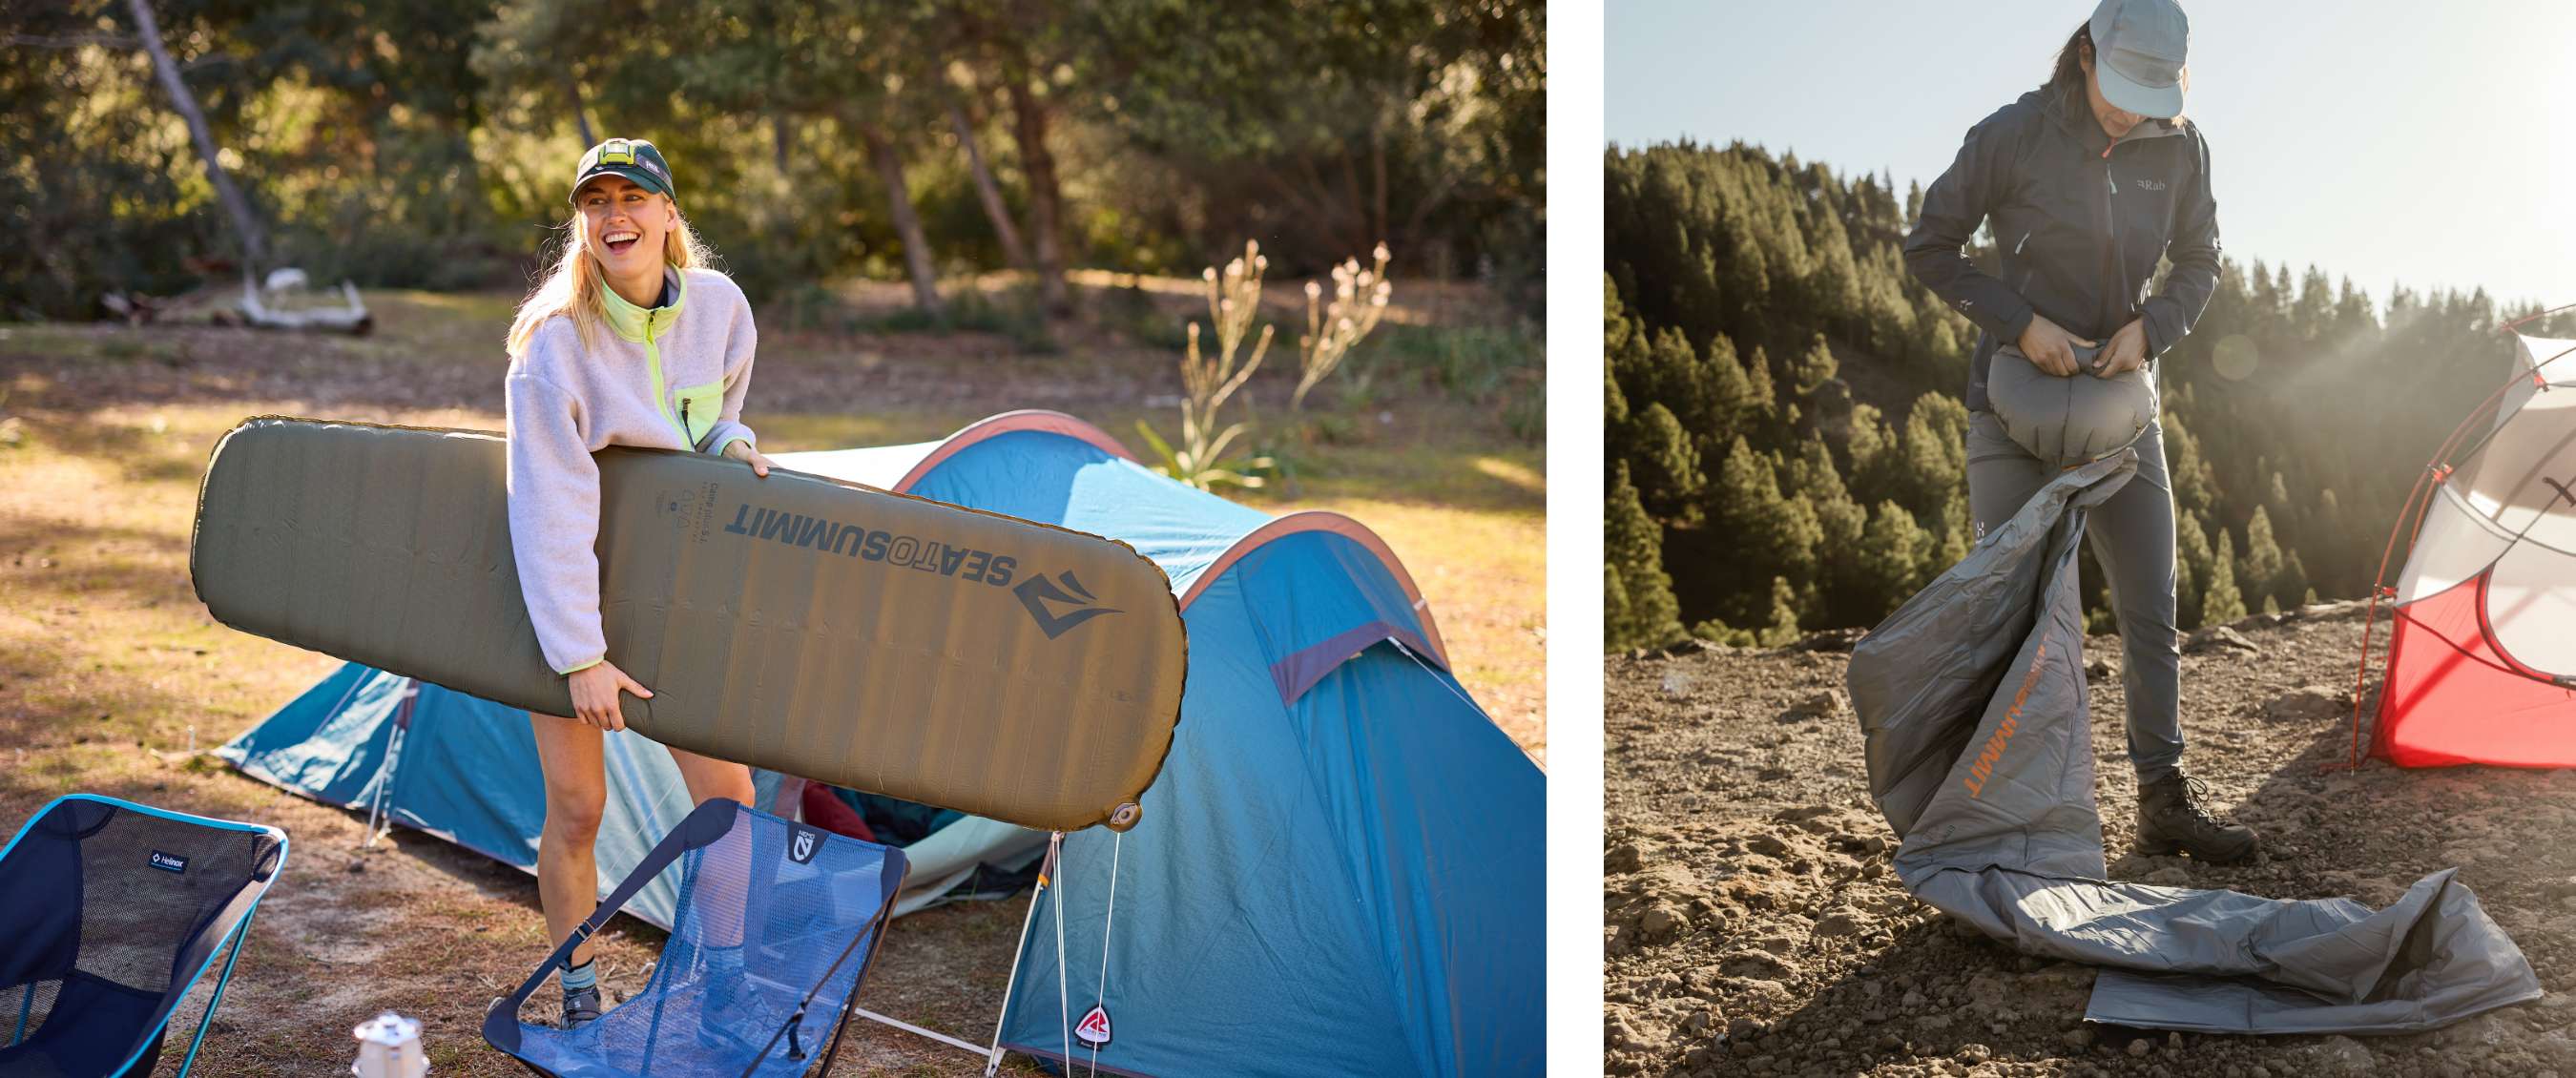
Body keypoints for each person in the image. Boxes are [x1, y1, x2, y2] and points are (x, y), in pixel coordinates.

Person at [1903, 0, 2259, 863]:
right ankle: (1995, 815)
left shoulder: (2181, 145)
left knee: (2150, 606)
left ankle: (2163, 800)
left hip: (2124, 411)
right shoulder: (2012, 133)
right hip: (2010, 409)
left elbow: (2202, 259)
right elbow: (1931, 246)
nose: (2129, 110)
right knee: (2010, 611)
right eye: (2120, 88)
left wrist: (2153, 329)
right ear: (2086, 54)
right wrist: (2020, 323)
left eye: (2150, 94)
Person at [503, 136, 779, 1027]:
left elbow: (714, 414)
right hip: (570, 600)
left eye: (633, 198)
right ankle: (581, 994)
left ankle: (725, 982)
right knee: (581, 806)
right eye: (595, 202)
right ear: (582, 221)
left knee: (730, 801)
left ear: (668, 214)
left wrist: (731, 443)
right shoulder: (555, 345)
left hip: (669, 598)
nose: (614, 215)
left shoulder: (722, 308)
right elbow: (547, 507)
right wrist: (581, 654)